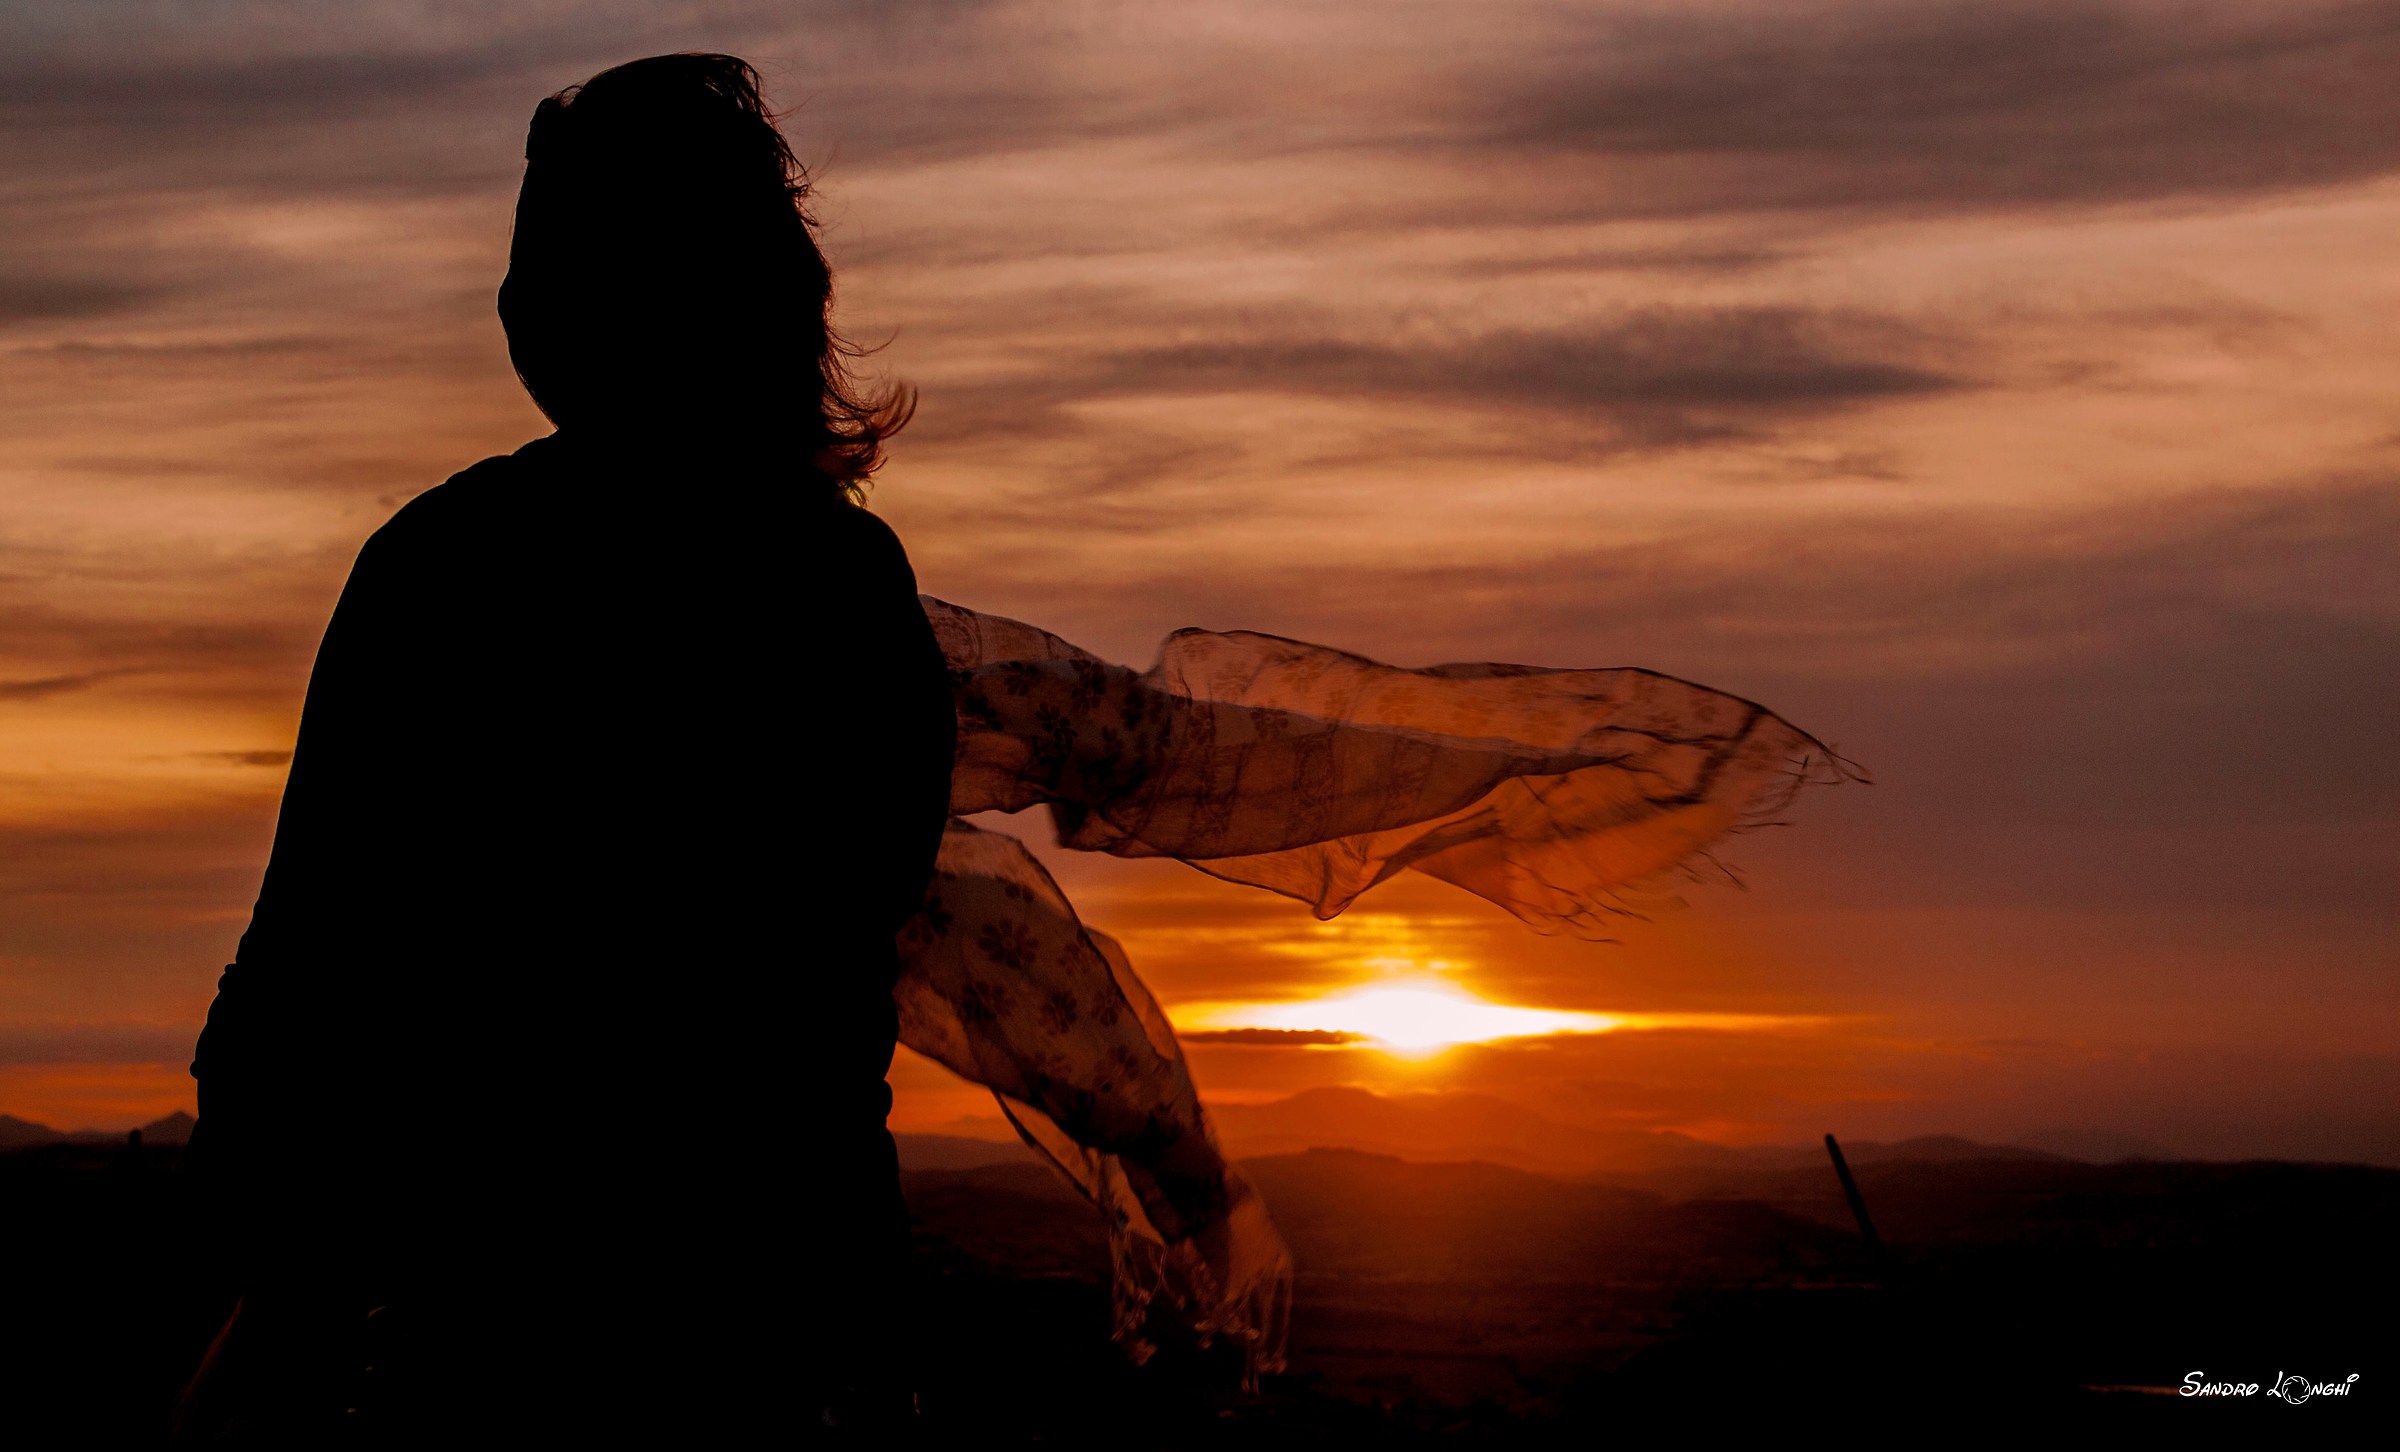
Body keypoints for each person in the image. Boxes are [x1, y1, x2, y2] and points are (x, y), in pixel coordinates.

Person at [181, 54, 953, 1440]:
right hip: (798, 1352)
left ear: (572, 303)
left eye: (547, 244)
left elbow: (296, 1001)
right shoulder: (848, 591)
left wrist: (283, 1296)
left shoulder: (451, 570)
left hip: (517, 1367)